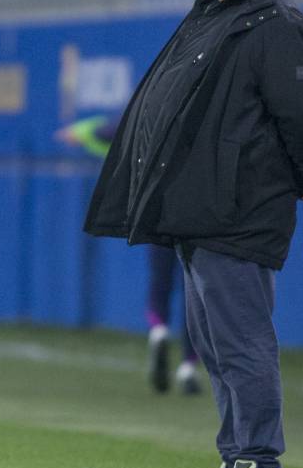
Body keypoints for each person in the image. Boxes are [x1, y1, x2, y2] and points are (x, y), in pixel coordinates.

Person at [84, 0, 303, 468]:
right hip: (201, 210)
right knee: (214, 342)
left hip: (240, 211)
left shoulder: (275, 23)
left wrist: (301, 177)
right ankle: (234, 462)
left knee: (242, 340)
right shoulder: (218, 17)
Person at [57, 115, 200, 394]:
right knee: (193, 292)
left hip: (158, 211)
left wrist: (80, 133)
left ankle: (158, 331)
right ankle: (187, 368)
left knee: (160, 282)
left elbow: (111, 134)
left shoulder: (153, 114)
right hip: (194, 214)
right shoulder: (204, 116)